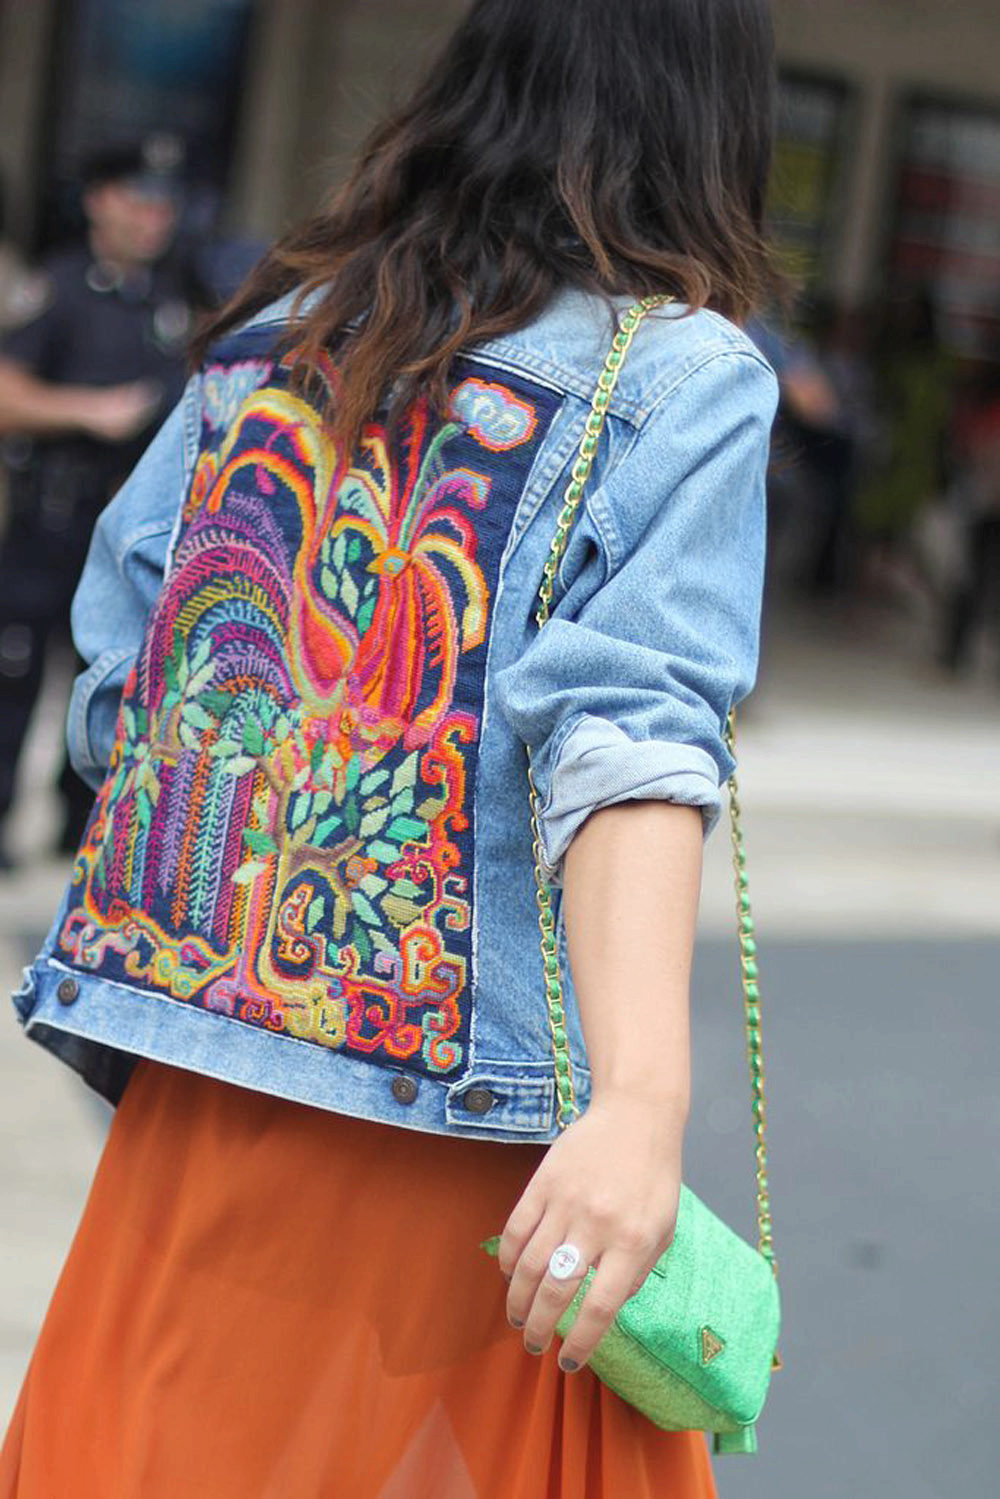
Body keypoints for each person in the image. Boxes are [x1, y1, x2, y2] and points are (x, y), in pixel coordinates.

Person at [1, 2, 779, 1494]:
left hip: (202, 1092)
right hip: (455, 1135)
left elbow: (123, 675)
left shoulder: (278, 334)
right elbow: (628, 739)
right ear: (708, 116)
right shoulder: (682, 374)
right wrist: (642, 1102)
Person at [0, 142, 196, 867]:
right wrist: (90, 411)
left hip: (133, 532)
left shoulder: (174, 298)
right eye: (139, 200)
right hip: (53, 517)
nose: (155, 218)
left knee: (112, 673)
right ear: (98, 202)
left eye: (165, 204)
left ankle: (79, 830)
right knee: (15, 674)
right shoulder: (58, 287)